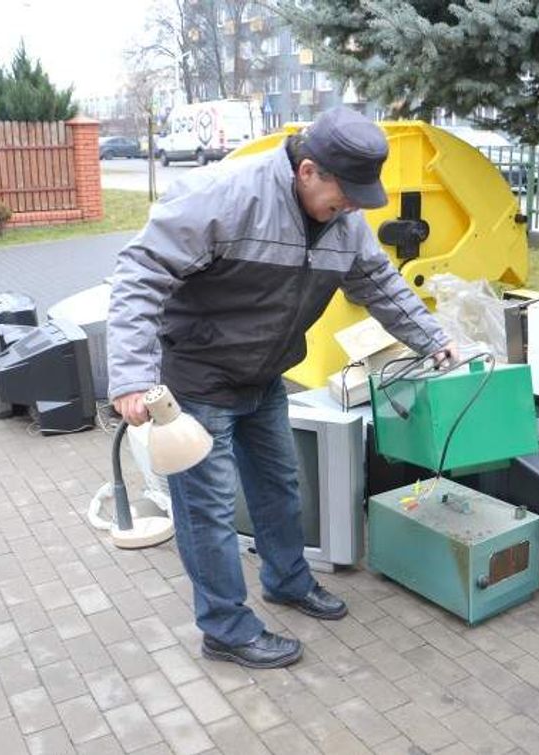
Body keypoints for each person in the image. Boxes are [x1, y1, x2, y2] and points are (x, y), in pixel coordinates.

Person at [107, 106, 455, 669]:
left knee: (279, 487)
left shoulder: (344, 221)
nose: (350, 210)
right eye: (344, 194)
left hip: (265, 374)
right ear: (309, 170)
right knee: (210, 511)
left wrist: (432, 339)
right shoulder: (225, 195)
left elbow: (378, 282)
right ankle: (225, 628)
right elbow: (140, 273)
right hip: (198, 382)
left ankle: (288, 581)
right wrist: (130, 376)